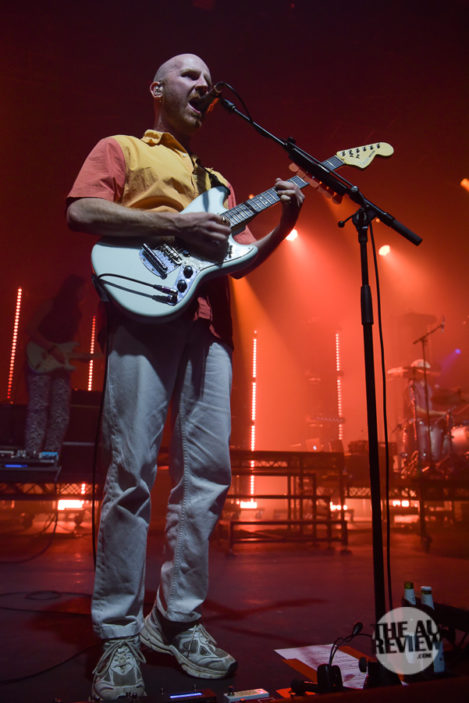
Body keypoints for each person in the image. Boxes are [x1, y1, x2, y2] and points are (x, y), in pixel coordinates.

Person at [66, 53, 304, 701]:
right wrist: (175, 223)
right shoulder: (122, 148)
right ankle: (118, 632)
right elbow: (83, 213)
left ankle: (175, 620)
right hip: (142, 317)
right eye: (189, 75)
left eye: (208, 78)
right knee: (131, 474)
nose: (204, 84)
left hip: (210, 326)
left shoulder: (219, 181)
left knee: (207, 478)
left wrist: (284, 223)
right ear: (157, 88)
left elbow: (238, 261)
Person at [24, 274, 87, 457]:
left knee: (60, 413)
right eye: (82, 289)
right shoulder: (50, 305)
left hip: (60, 367)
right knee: (38, 408)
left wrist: (79, 356)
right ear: (73, 289)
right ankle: (32, 453)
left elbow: (66, 347)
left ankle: (51, 455)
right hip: (39, 360)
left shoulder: (76, 313)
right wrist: (51, 349)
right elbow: (30, 329)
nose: (84, 294)